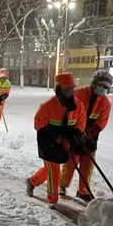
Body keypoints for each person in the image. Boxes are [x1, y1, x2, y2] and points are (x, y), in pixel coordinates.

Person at [26, 73, 87, 209]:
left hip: (66, 142)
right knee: (54, 170)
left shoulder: (78, 106)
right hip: (48, 142)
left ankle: (32, 181)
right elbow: (38, 125)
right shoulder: (48, 106)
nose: (69, 92)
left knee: (50, 169)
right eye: (66, 89)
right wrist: (56, 136)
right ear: (58, 90)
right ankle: (52, 199)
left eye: (71, 89)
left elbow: (81, 124)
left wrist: (74, 136)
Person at [60, 69, 112, 202]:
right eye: (103, 86)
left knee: (88, 164)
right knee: (72, 161)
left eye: (107, 87)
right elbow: (69, 112)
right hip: (75, 131)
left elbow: (102, 121)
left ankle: (83, 190)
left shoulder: (105, 103)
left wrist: (91, 132)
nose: (104, 89)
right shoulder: (79, 94)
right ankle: (62, 185)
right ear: (95, 84)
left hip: (90, 135)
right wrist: (76, 130)